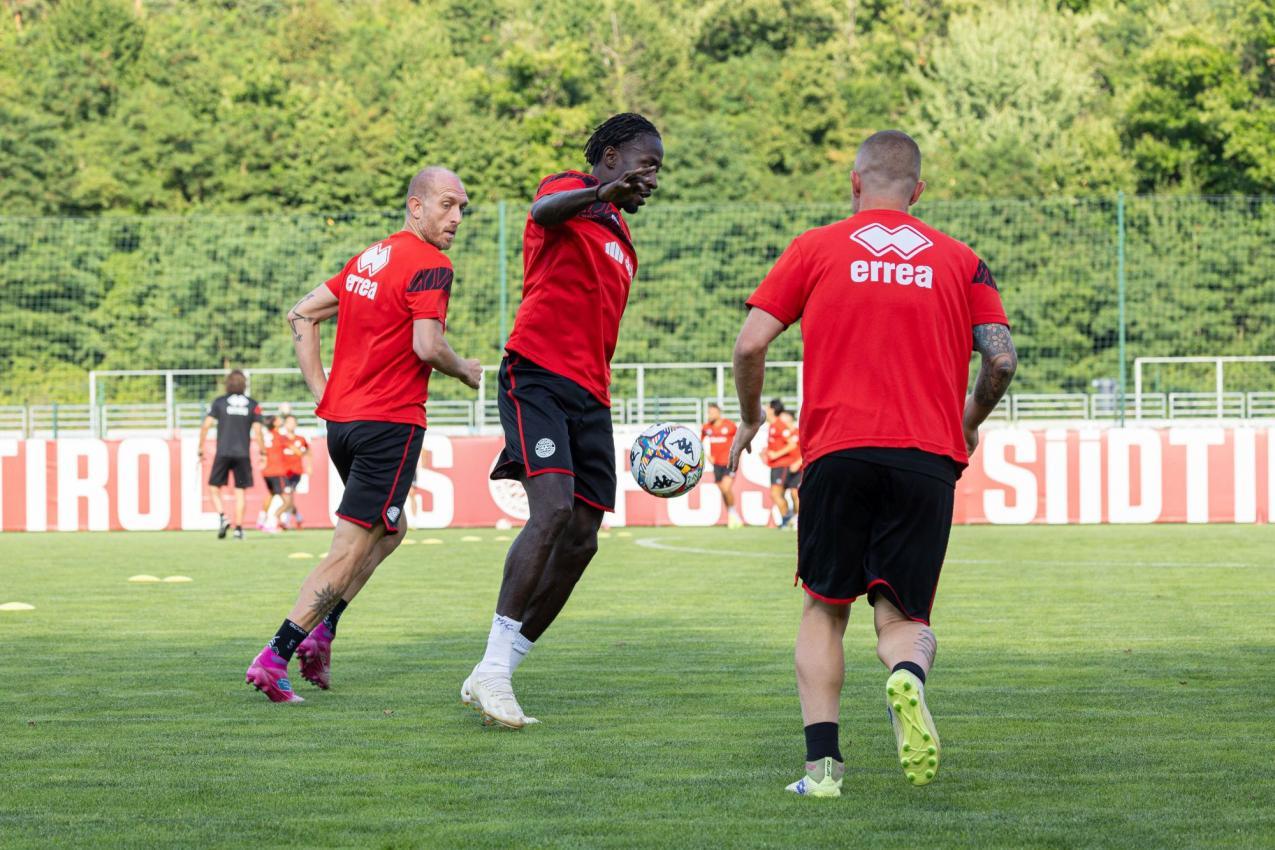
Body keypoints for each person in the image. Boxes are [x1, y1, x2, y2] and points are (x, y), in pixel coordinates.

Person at [728, 130, 1016, 795]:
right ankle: (906, 677)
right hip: (925, 459)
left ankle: (822, 771)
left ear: (855, 182)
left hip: (838, 452)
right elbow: (999, 359)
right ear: (917, 191)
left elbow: (749, 346)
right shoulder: (961, 260)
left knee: (825, 609)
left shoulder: (815, 248)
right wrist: (967, 422)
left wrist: (750, 419)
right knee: (903, 618)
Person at [244, 166, 481, 702]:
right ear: (415, 207)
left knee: (390, 531)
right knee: (349, 549)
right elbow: (427, 345)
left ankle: (322, 634)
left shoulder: (368, 260)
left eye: (463, 207)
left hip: (344, 424)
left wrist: (321, 390)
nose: (457, 218)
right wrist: (463, 368)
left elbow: (301, 314)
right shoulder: (431, 265)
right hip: (389, 424)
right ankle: (275, 655)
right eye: (447, 205)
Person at [465, 113, 663, 728]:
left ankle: (496, 668)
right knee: (549, 511)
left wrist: (612, 204)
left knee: (582, 537)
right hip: (538, 374)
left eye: (659, 168)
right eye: (643, 162)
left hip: (591, 397)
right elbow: (543, 213)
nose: (652, 175)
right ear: (607, 157)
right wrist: (600, 194)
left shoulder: (623, 240)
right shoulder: (567, 192)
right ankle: (494, 670)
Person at [197, 370, 265, 540]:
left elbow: (206, 425)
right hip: (243, 454)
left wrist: (200, 447)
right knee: (240, 491)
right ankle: (238, 529)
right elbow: (258, 431)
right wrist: (263, 451)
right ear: (244, 384)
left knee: (213, 487)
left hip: (223, 452)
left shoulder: (219, 402)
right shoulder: (252, 404)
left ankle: (223, 515)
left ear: (227, 383)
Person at [701, 402, 742, 528]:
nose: (710, 414)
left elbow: (740, 439)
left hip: (729, 462)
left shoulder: (729, 425)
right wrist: (707, 456)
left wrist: (737, 455)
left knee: (726, 488)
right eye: (708, 412)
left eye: (712, 412)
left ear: (719, 413)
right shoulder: (706, 427)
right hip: (716, 464)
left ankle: (734, 514)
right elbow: (700, 442)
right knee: (722, 490)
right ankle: (732, 515)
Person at [764, 399, 802, 529]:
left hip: (782, 465)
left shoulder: (779, 426)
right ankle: (788, 519)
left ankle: (788, 520)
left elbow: (791, 445)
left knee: (778, 494)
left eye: (767, 407)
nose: (764, 409)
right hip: (777, 465)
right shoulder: (773, 426)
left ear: (772, 410)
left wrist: (776, 454)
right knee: (780, 494)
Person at [279, 414, 311, 529]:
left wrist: (309, 465)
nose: (291, 424)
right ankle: (298, 517)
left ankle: (285, 522)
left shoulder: (301, 439)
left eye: (293, 422)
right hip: (283, 472)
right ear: (285, 424)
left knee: (288, 495)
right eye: (289, 422)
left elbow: (308, 450)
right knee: (287, 497)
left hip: (295, 472)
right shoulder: (281, 438)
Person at [257, 414, 287, 533]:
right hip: (276, 471)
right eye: (278, 419)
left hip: (267, 471)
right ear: (274, 423)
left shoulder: (266, 435)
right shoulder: (278, 436)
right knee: (287, 501)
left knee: (270, 494)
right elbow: (290, 446)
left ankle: (261, 519)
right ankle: (272, 523)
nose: (281, 420)